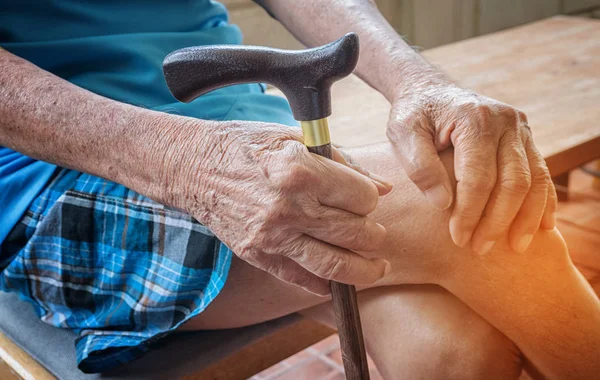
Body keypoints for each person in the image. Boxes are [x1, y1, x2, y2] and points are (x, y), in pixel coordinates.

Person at [0, 0, 584, 377]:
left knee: (445, 348)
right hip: (53, 176)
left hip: (237, 117)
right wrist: (184, 162)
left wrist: (419, 80)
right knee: (459, 207)